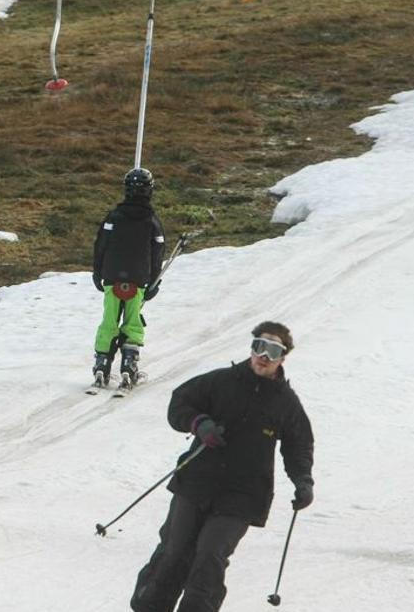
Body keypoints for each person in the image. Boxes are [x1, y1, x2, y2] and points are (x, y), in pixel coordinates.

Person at [129, 321, 315, 612]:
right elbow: (180, 402)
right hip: (196, 482)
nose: (264, 356)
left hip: (243, 495)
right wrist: (199, 424)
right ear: (251, 348)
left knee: (210, 556)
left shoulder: (286, 403)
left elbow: (299, 445)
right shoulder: (221, 381)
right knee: (175, 551)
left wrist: (303, 481)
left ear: (282, 358)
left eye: (274, 350)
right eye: (259, 346)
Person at [91, 167, 166, 388]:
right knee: (132, 321)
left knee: (109, 319)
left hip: (112, 277)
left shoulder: (113, 217)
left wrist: (98, 272)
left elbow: (101, 245)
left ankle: (102, 363)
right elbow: (158, 251)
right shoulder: (152, 221)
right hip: (138, 279)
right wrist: (153, 281)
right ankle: (129, 362)